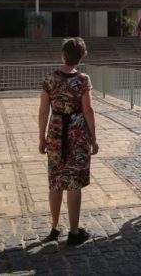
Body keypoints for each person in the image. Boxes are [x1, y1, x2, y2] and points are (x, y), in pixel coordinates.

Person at [38, 37, 98, 246]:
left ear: (62, 55)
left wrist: (41, 139)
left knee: (55, 181)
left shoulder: (49, 79)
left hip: (55, 132)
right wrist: (94, 138)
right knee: (73, 183)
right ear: (80, 58)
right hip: (77, 134)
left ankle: (54, 227)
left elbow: (43, 111)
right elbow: (88, 110)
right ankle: (74, 231)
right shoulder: (83, 80)